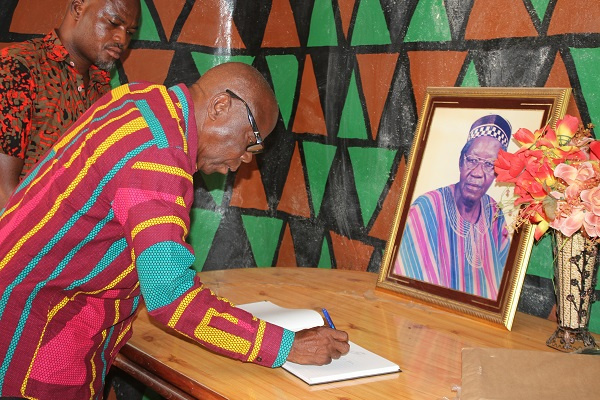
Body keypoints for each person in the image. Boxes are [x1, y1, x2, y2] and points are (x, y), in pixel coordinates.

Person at [0, 62, 349, 399]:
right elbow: (171, 297)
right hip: (37, 338)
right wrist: (286, 345)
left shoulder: (140, 100)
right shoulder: (157, 159)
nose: (246, 160)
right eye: (250, 142)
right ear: (220, 105)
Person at [0, 0, 141, 209]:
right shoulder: (18, 66)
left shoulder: (102, 92)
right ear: (78, 8)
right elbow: (3, 192)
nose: (122, 39)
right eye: (113, 23)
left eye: (129, 32)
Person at [394, 114, 512, 300]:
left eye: (489, 165)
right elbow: (413, 291)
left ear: (497, 173)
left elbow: (503, 287)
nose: (477, 173)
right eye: (472, 160)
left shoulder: (494, 213)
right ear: (460, 161)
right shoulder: (426, 208)